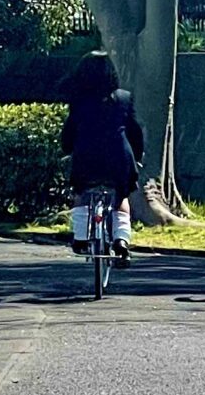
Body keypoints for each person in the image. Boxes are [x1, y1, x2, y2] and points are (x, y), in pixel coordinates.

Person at [61, 51, 145, 262]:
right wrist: (138, 155)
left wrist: (67, 149)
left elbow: (69, 131)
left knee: (81, 192)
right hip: (118, 158)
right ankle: (122, 240)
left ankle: (80, 237)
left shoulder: (78, 101)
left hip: (87, 157)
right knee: (121, 197)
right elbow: (135, 131)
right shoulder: (124, 98)